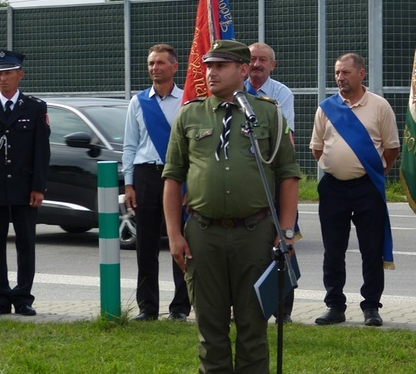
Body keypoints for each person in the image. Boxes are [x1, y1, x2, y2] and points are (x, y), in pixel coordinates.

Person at [162, 40, 300, 373]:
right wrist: (174, 235)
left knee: (253, 327)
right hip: (203, 235)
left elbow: (288, 176)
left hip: (255, 234)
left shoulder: (267, 113)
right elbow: (172, 177)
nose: (211, 73)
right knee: (210, 327)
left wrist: (285, 231)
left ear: (242, 70)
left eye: (220, 66)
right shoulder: (190, 114)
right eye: (209, 66)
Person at [310, 53, 400, 327]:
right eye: (337, 72)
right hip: (333, 188)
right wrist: (337, 166)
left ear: (361, 74)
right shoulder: (326, 108)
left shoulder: (379, 106)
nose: (340, 78)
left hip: (367, 187)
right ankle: (334, 305)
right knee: (333, 250)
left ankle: (371, 306)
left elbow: (392, 148)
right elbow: (316, 148)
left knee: (371, 249)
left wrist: (375, 172)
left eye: (346, 72)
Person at [122, 44, 190, 322]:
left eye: (160, 63)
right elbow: (129, 145)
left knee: (182, 242)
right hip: (146, 176)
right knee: (146, 245)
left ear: (175, 67)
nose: (154, 68)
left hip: (179, 177)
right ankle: (147, 307)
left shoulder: (188, 100)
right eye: (151, 63)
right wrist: (129, 184)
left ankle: (180, 308)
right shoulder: (138, 102)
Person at [0, 49, 50, 317]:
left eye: (7, 73)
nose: (2, 78)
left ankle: (23, 297)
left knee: (25, 242)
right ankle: (1, 298)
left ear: (20, 75)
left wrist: (39, 187)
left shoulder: (35, 107)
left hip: (24, 187)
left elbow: (41, 151)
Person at [247, 41, 298, 324]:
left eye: (262, 60)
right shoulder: (236, 92)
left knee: (283, 242)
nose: (256, 64)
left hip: (274, 175)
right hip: (245, 177)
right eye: (252, 59)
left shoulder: (281, 94)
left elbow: (282, 134)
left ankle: (283, 311)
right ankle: (244, 306)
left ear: (272, 65)